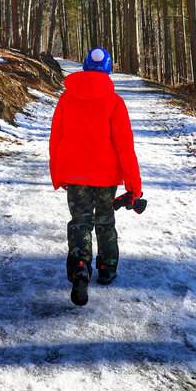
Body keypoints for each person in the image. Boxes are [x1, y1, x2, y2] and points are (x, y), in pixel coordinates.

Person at [48, 47, 143, 306]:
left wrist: (58, 172)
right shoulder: (114, 102)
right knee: (104, 221)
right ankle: (107, 268)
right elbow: (125, 147)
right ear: (109, 69)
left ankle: (80, 266)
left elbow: (56, 138)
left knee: (80, 222)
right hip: (106, 177)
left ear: (85, 67)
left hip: (75, 175)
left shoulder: (66, 99)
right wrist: (134, 185)